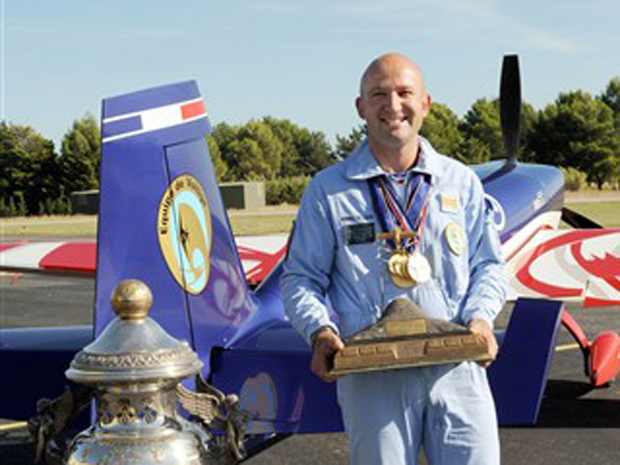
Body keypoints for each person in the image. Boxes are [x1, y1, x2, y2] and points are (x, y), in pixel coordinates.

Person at [280, 53, 506, 465]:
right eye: (379, 94)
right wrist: (319, 331)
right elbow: (300, 278)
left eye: (405, 93)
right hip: (372, 372)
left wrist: (480, 319)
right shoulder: (328, 190)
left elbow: (488, 265)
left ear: (426, 103)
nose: (393, 105)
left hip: (455, 362)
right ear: (360, 108)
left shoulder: (461, 182)